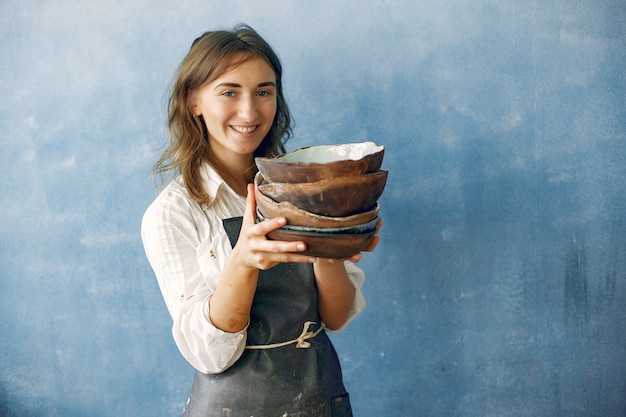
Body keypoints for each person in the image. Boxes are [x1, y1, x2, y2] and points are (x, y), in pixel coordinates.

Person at [141, 24, 381, 417]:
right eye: (229, 92)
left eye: (263, 92)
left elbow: (335, 318)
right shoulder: (172, 214)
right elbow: (208, 355)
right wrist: (243, 260)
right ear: (193, 101)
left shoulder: (303, 187)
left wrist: (330, 247)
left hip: (319, 398)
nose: (249, 112)